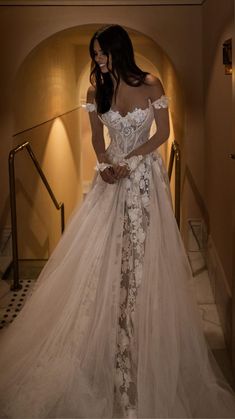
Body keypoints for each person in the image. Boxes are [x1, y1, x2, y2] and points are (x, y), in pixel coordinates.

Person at [0, 24, 235, 419]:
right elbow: (95, 138)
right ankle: (109, 344)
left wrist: (130, 161)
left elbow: (163, 133)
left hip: (144, 181)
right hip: (111, 179)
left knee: (141, 263)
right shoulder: (97, 91)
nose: (97, 61)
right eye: (94, 55)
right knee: (107, 261)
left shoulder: (151, 84)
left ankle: (141, 344)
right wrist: (107, 164)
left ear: (118, 51)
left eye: (102, 54)